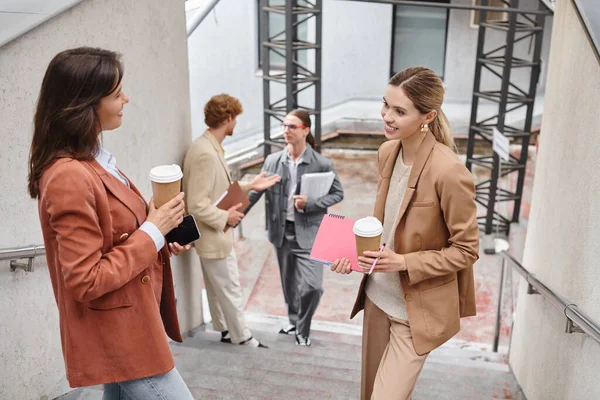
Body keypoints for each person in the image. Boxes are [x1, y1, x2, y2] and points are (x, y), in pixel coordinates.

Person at [28, 47, 194, 399]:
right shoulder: (69, 176)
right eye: (116, 93)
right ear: (85, 103)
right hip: (124, 338)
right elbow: (85, 279)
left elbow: (115, 238)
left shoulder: (93, 161)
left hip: (129, 331)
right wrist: (152, 232)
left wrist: (160, 230)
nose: (126, 99)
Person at [331, 67, 479, 399]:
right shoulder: (388, 152)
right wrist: (347, 253)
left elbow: (467, 250)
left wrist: (403, 262)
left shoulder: (450, 171)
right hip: (376, 297)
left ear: (428, 116)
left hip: (415, 312)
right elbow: (386, 227)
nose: (387, 116)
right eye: (386, 105)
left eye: (399, 111)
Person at [182, 94, 280, 348]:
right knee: (230, 288)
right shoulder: (206, 153)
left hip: (211, 236)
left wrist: (249, 185)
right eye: (235, 118)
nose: (236, 123)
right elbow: (197, 203)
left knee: (218, 288)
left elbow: (217, 189)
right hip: (214, 235)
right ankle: (243, 337)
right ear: (227, 119)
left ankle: (226, 330)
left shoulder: (207, 146)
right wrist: (227, 216)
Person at [247, 110, 344, 346]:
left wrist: (310, 203)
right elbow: (254, 193)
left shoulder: (321, 163)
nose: (286, 131)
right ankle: (295, 323)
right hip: (281, 233)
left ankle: (303, 326)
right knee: (289, 283)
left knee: (312, 286)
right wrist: (228, 219)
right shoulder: (273, 161)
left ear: (306, 130)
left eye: (292, 126)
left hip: (311, 234)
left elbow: (337, 193)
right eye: (284, 126)